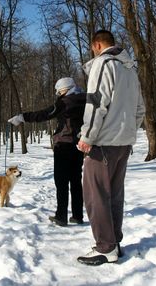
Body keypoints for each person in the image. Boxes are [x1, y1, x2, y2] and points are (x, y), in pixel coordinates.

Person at [76, 30, 145, 266]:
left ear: (97, 45)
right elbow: (139, 110)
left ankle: (106, 247)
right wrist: (128, 132)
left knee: (95, 195)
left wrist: (88, 136)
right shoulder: (130, 69)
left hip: (103, 143)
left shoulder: (103, 64)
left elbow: (96, 104)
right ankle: (114, 242)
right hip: (123, 143)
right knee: (114, 195)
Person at [8, 77, 86, 227]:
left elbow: (44, 114)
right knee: (76, 181)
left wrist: (22, 117)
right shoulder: (86, 99)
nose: (59, 94)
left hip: (63, 146)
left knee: (61, 182)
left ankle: (61, 216)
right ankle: (77, 216)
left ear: (66, 89)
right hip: (79, 145)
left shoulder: (65, 102)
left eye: (60, 91)